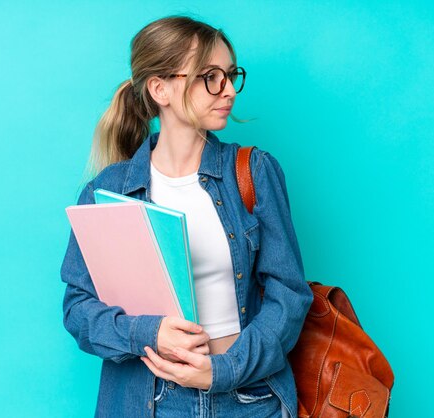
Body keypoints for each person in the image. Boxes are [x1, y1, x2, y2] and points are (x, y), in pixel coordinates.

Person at [60, 16, 313, 418]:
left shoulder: (254, 172)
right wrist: (150, 332)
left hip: (249, 399)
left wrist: (224, 370)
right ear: (160, 88)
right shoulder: (107, 192)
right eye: (210, 77)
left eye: (231, 76)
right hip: (153, 402)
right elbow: (78, 308)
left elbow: (289, 296)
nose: (228, 90)